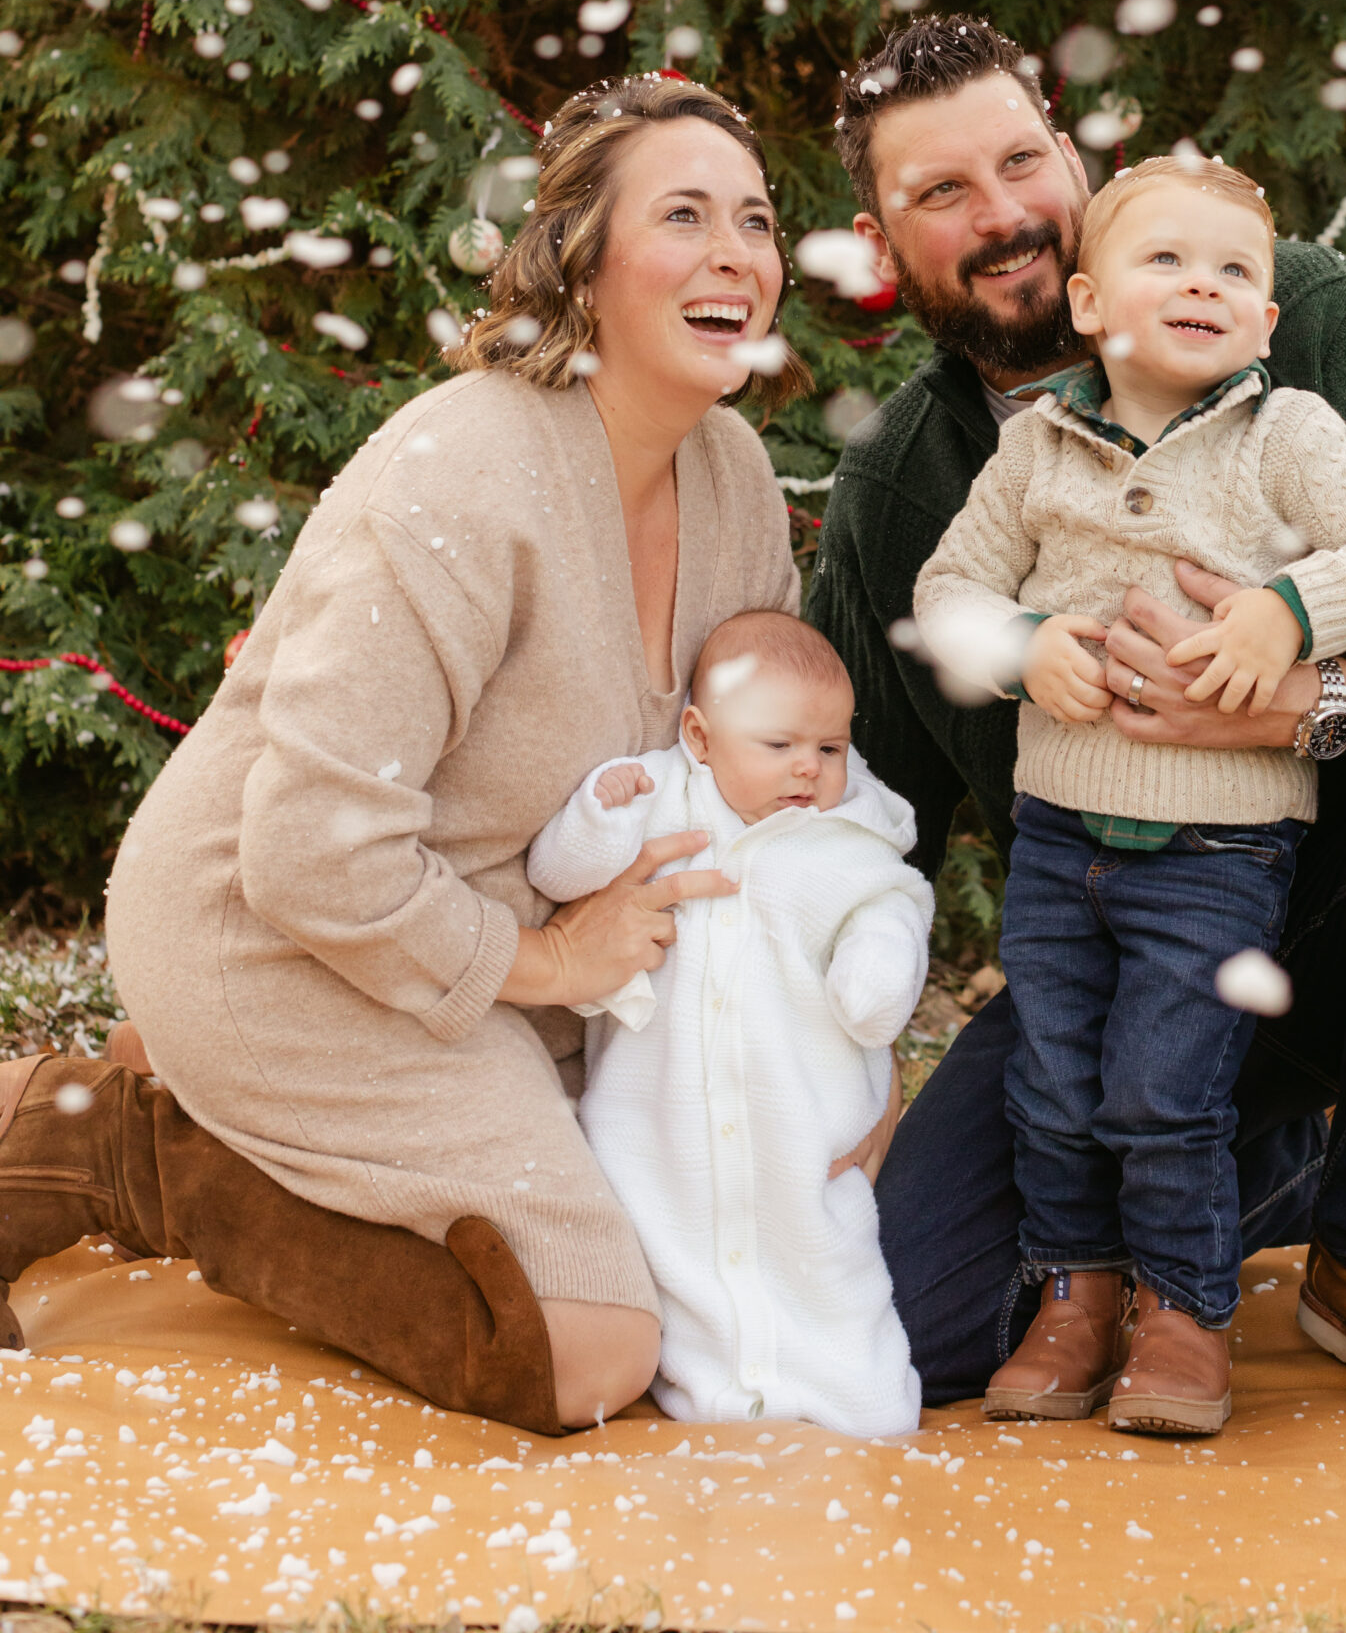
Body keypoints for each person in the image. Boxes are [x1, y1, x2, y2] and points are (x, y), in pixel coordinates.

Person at [806, 15, 1346, 1444]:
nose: (999, 214)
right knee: (916, 1317)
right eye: (942, 193)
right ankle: (1238, 1161)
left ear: (1069, 158)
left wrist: (1305, 681)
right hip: (1102, 950)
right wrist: (831, 1083)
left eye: (1019, 161)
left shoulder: (1283, 313)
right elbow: (852, 812)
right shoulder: (911, 477)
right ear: (883, 243)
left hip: (1341, 899)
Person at [0, 74, 832, 1435]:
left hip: (499, 959)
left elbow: (735, 771)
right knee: (586, 1352)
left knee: (732, 1292)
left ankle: (206, 1107)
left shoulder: (732, 475)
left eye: (752, 218)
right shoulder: (464, 472)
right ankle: (120, 1145)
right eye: (682, 216)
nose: (735, 252)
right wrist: (552, 962)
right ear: (582, 259)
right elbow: (304, 855)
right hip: (280, 937)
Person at [914, 156, 1346, 1435]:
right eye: (1166, 261)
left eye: (1234, 271)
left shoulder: (1287, 439)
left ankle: (1183, 1311)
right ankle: (1075, 1297)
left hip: (1222, 845)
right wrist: (1023, 642)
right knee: (1050, 1081)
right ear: (1091, 303)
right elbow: (947, 593)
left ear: (1268, 321)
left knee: (1165, 1089)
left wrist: (1289, 610)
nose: (1202, 285)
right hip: (1058, 841)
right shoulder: (1035, 452)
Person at [525, 608, 931, 1435]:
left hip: (798, 1130)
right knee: (674, 1256)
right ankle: (705, 1389)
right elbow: (560, 874)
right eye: (778, 747)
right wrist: (598, 817)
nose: (808, 770)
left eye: (828, 747)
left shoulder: (848, 838)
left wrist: (879, 970)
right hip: (656, 1122)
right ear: (700, 738)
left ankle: (857, 1402)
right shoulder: (658, 798)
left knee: (823, 1263)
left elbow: (890, 907)